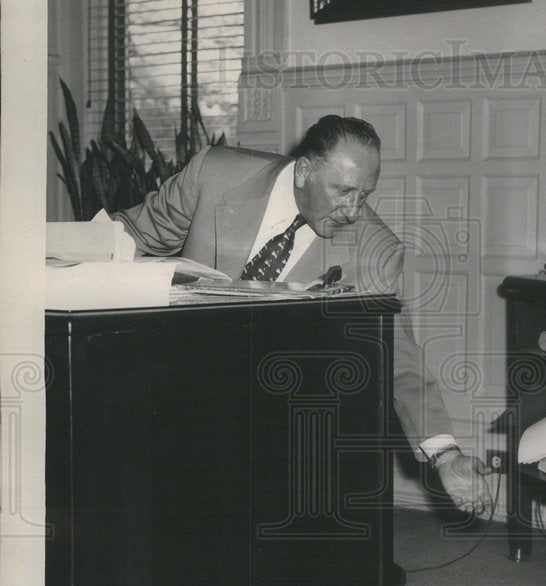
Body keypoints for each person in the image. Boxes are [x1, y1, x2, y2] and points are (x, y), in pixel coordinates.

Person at [113, 114, 493, 518]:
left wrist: (444, 454)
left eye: (364, 195)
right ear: (305, 170)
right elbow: (133, 235)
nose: (352, 210)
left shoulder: (376, 250)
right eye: (344, 190)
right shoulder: (215, 173)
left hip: (263, 404)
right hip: (166, 373)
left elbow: (397, 354)